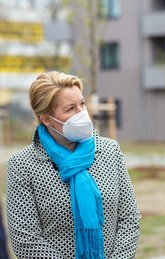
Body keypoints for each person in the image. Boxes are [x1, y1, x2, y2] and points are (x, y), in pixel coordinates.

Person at [6, 71, 140, 258]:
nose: (82, 113)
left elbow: (129, 219)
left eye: (82, 104)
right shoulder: (23, 165)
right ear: (46, 119)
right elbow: (25, 238)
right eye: (70, 109)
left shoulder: (110, 151)